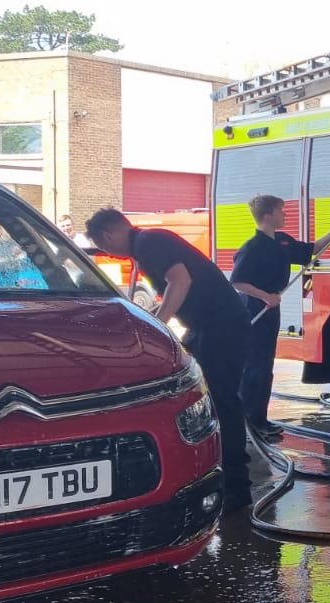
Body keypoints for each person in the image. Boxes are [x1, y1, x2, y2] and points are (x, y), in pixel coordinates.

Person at [86, 208, 254, 511]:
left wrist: (157, 325)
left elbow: (180, 280)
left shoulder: (149, 242)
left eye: (105, 248)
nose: (109, 254)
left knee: (223, 401)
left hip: (222, 326)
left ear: (108, 235)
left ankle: (238, 489)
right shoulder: (147, 244)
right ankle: (215, 474)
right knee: (201, 396)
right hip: (207, 327)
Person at [230, 195, 330, 440]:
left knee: (266, 366)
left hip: (270, 308)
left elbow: (313, 249)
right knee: (254, 367)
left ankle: (259, 419)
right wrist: (265, 296)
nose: (284, 214)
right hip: (255, 310)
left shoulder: (282, 242)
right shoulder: (251, 248)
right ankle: (248, 421)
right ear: (268, 215)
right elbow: (237, 281)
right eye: (281, 210)